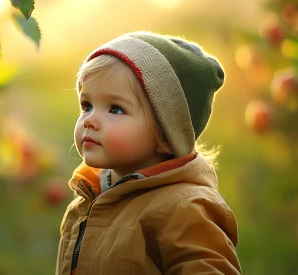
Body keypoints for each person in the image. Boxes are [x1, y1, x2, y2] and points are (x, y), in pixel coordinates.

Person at [55, 31, 242, 275]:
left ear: (164, 135)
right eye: (87, 105)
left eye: (115, 109)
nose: (90, 120)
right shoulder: (86, 199)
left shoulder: (185, 210)